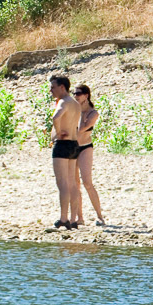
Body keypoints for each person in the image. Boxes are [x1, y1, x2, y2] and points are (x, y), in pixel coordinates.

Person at [49, 75, 83, 229]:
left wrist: (58, 131)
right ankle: (74, 219)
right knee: (72, 183)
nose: (51, 90)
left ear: (62, 87)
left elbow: (55, 117)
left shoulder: (63, 102)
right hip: (74, 144)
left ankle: (63, 219)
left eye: (53, 87)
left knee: (62, 183)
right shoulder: (75, 103)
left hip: (62, 144)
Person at [73, 84, 107, 227]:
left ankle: (100, 216)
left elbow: (81, 129)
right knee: (75, 184)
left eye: (78, 93)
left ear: (86, 96)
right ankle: (79, 217)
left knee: (87, 182)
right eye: (74, 93)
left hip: (85, 147)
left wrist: (80, 111)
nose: (75, 96)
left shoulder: (93, 113)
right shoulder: (73, 109)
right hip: (72, 147)